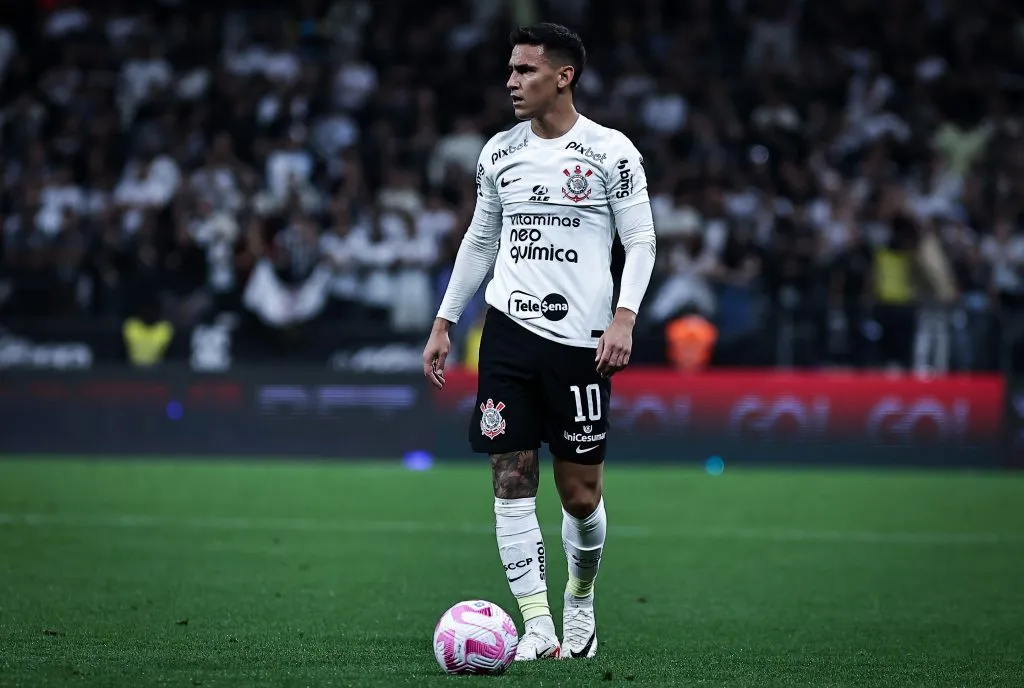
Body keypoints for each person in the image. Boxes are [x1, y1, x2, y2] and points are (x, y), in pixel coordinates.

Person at [421, 23, 657, 661]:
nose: (511, 82)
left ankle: (579, 602)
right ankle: (537, 625)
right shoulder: (498, 152)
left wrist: (625, 317)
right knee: (510, 476)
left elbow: (640, 240)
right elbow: (480, 240)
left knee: (580, 495)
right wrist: (446, 322)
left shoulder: (610, 153)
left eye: (524, 70)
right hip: (506, 334)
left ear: (563, 76)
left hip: (582, 342)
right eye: (510, 69)